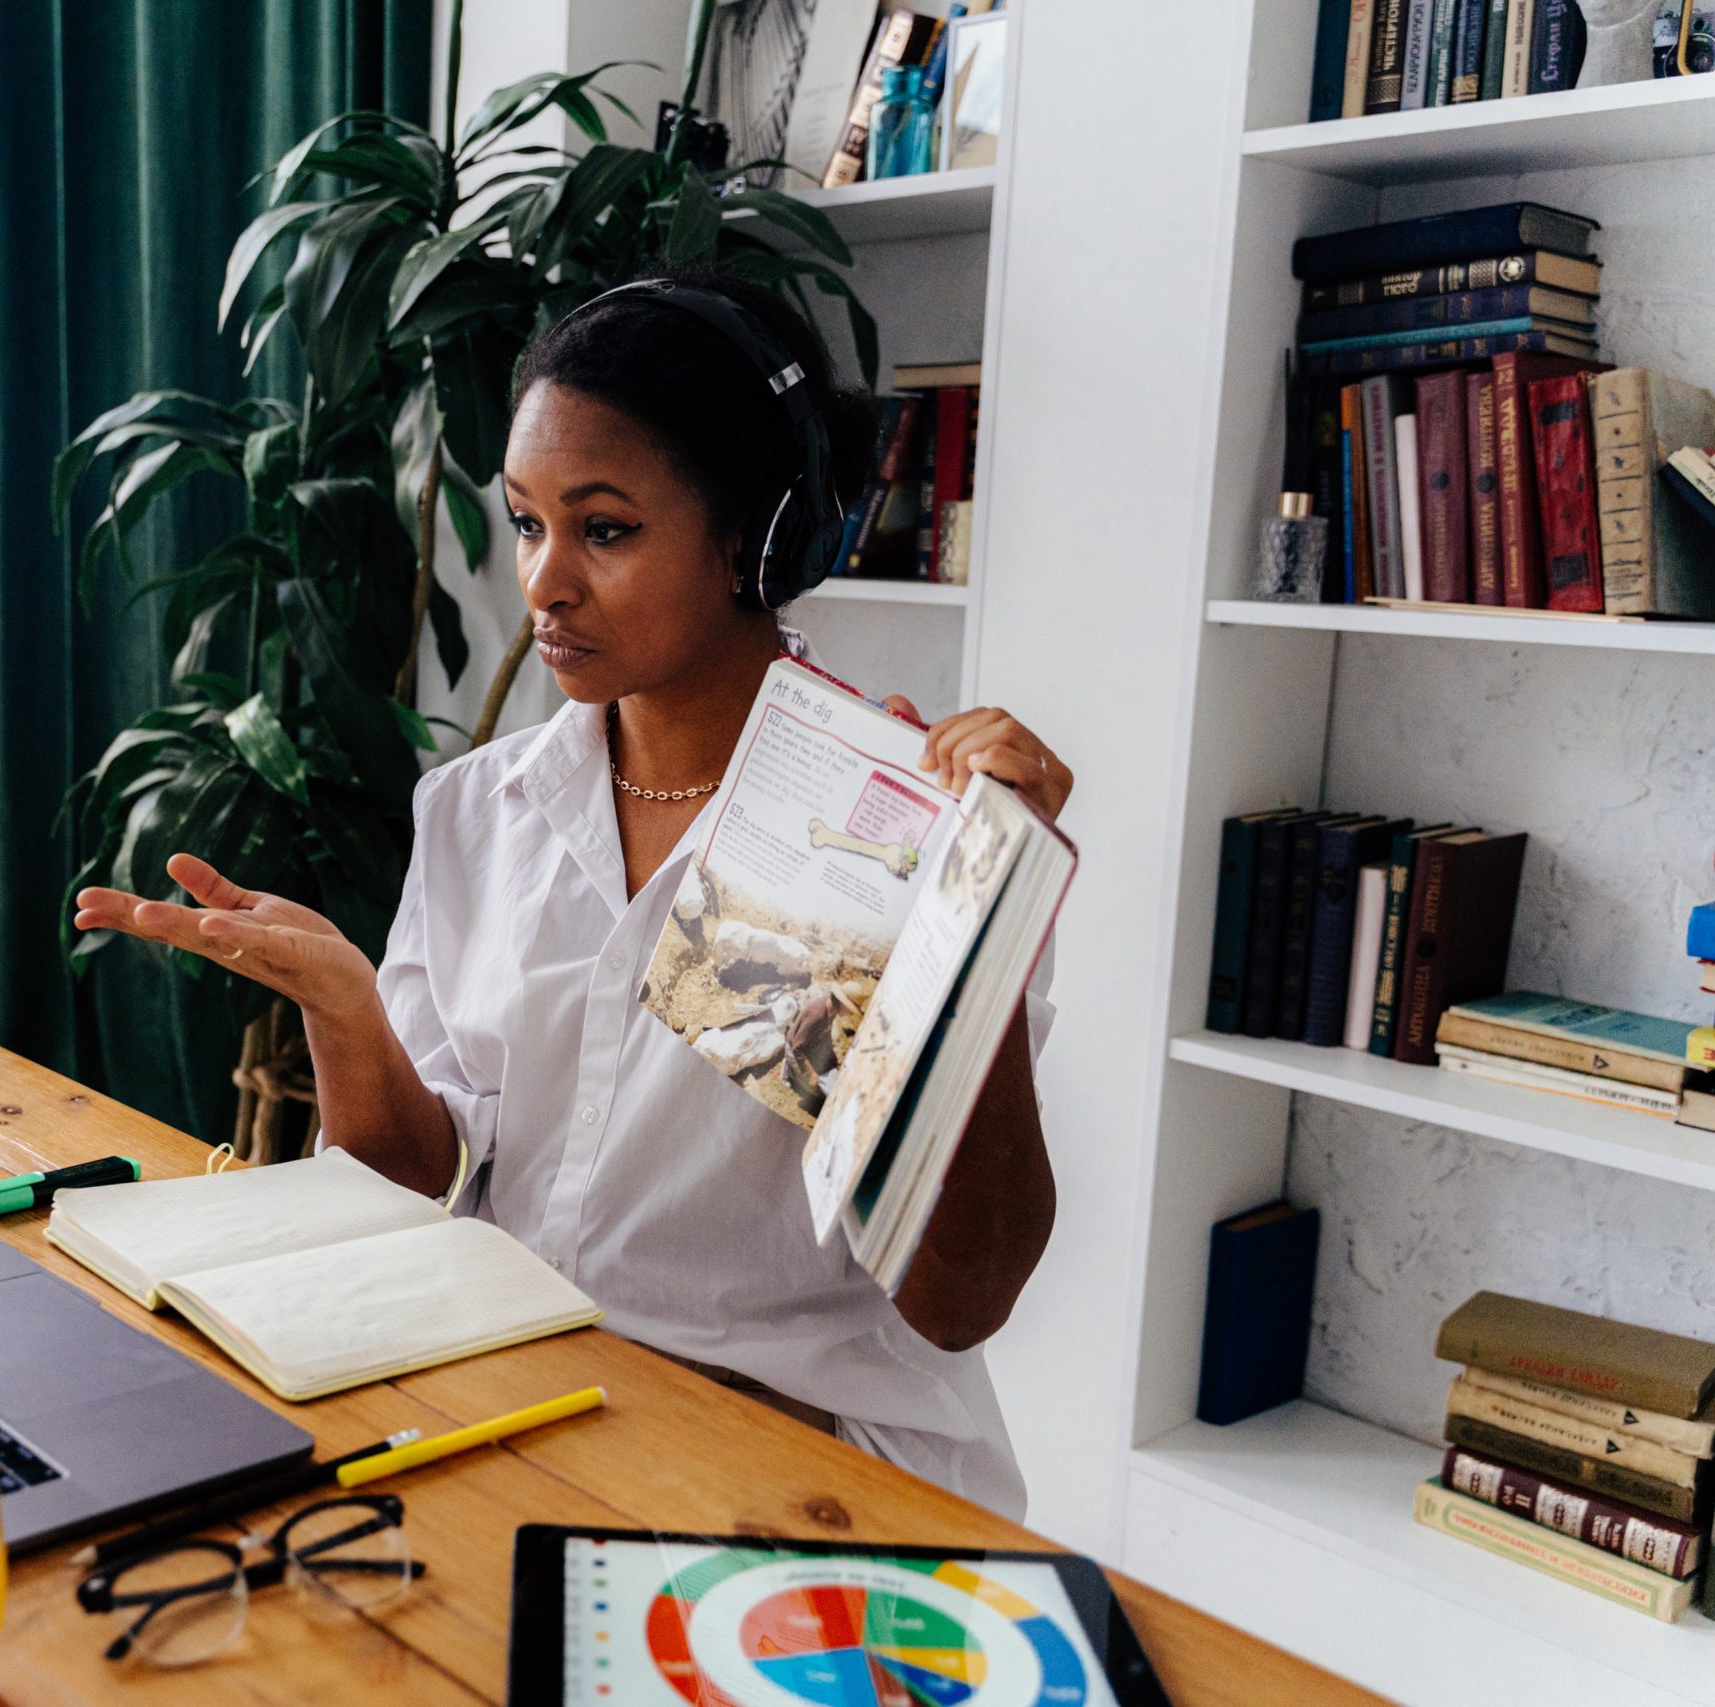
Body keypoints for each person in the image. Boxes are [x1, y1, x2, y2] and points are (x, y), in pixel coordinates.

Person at [74, 268, 1073, 1519]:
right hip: (528, 1400)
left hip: (803, 1456)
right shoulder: (474, 810)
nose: (542, 583)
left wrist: (969, 939)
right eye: (527, 521)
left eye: (603, 530)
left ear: (752, 540)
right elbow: (424, 1177)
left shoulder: (904, 839)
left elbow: (963, 1297)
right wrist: (346, 1011)